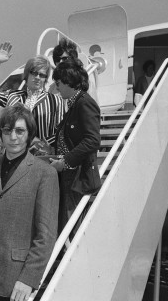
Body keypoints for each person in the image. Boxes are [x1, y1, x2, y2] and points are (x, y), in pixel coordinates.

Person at [0, 103, 59, 301]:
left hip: (15, 279)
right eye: (7, 131)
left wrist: (29, 278)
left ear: (30, 134)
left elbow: (46, 235)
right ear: (1, 134)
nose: (13, 137)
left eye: (20, 131)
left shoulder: (45, 174)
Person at [49, 58, 102, 234]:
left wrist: (65, 161)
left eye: (58, 83)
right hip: (71, 176)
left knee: (73, 227)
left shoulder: (84, 103)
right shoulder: (74, 104)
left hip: (78, 177)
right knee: (68, 224)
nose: (56, 87)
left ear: (68, 81)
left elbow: (92, 140)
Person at [0, 43, 65, 153]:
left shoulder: (55, 101)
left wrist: (39, 144)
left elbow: (61, 131)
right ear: (27, 74)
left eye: (42, 75)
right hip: (14, 154)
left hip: (42, 156)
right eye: (34, 73)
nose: (37, 78)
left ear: (46, 79)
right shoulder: (13, 96)